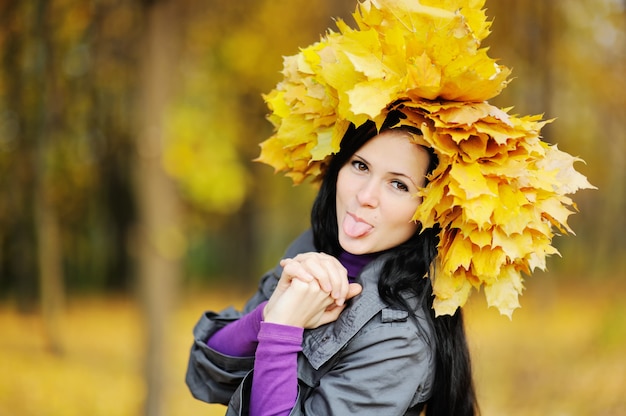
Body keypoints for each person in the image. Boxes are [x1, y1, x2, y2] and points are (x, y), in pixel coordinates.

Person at [186, 0, 593, 414]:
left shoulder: (399, 338)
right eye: (360, 166)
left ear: (432, 209)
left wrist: (281, 330)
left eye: (398, 185)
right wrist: (270, 316)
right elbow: (205, 372)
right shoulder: (311, 253)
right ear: (338, 167)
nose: (366, 196)